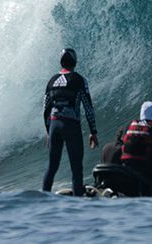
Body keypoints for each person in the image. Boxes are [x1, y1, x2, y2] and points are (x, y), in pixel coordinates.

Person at [41, 48, 99, 196]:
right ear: (75, 61)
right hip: (70, 125)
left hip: (54, 125)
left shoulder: (52, 81)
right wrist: (93, 131)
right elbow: (88, 107)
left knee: (51, 167)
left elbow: (45, 109)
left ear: (61, 62)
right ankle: (77, 203)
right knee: (76, 168)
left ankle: (43, 199)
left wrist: (48, 132)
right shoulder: (79, 80)